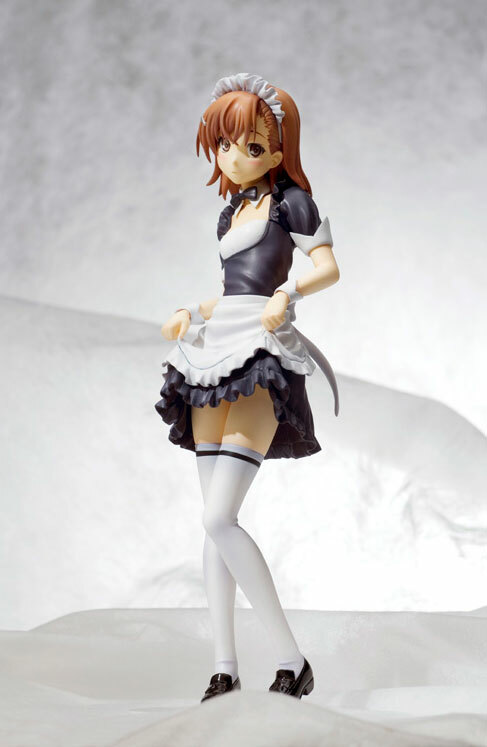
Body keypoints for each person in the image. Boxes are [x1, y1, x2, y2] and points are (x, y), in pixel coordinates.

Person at [154, 72, 340, 702]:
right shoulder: (231, 211)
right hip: (215, 348)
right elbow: (231, 290)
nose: (234, 158)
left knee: (218, 516)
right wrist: (192, 311)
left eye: (252, 146)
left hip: (261, 350)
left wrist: (289, 293)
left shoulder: (294, 205)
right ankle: (224, 667)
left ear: (279, 149)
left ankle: (292, 658)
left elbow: (327, 267)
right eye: (225, 145)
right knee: (214, 523)